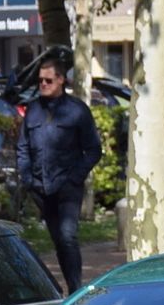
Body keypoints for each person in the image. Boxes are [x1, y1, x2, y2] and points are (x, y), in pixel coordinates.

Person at [15, 57, 102, 290]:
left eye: (48, 80)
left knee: (67, 237)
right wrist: (28, 179)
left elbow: (93, 150)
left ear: (61, 80)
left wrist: (74, 178)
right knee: (58, 241)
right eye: (40, 80)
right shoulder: (33, 109)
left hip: (67, 188)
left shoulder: (77, 110)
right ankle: (64, 290)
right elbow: (22, 147)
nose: (43, 84)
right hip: (41, 188)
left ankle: (76, 290)